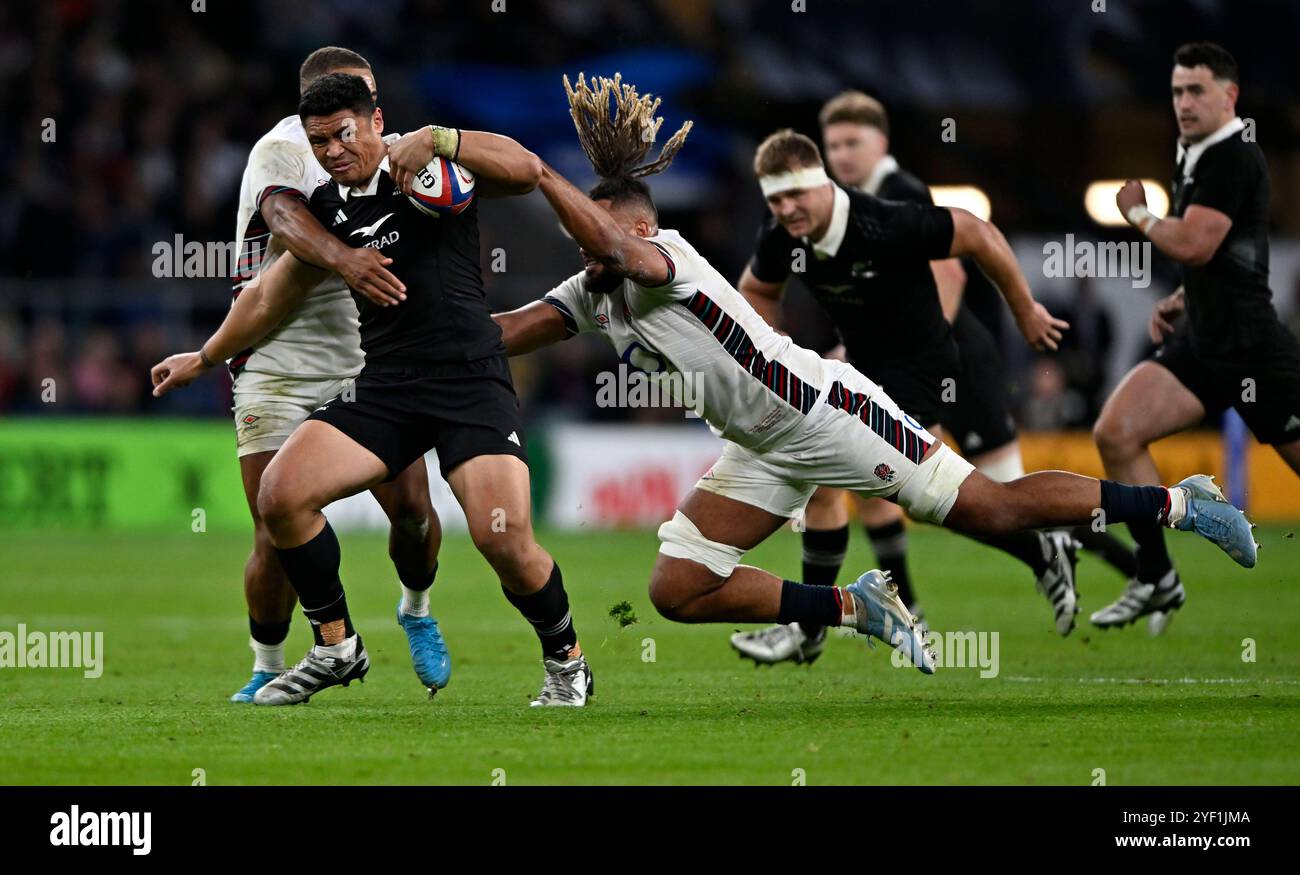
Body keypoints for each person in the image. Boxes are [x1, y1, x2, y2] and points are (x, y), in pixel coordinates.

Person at [493, 74, 1256, 676]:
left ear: (639, 227)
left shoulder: (664, 259)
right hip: (761, 443)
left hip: (826, 412)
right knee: (677, 586)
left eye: (594, 238)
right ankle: (856, 607)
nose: (584, 254)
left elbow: (617, 250)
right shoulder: (595, 286)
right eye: (580, 244)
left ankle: (1181, 503)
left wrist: (535, 173)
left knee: (989, 508)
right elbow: (503, 333)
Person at [153, 73, 592, 707]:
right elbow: (267, 294)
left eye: (343, 134)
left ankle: (567, 661)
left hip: (469, 381)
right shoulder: (327, 213)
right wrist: (204, 356)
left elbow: (525, 169)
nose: (332, 150)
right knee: (281, 496)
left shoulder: (425, 169)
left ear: (376, 120)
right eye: (320, 140)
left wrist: (445, 139)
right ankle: (335, 644)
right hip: (385, 387)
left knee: (502, 538)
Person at [184, 46, 446, 703]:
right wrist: (347, 258)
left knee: (413, 510)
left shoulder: (391, 153)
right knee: (274, 529)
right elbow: (284, 218)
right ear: (310, 107)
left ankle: (415, 605)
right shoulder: (278, 152)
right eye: (338, 111)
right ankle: (268, 662)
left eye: (366, 110)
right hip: (272, 356)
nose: (356, 127)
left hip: (364, 355)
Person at [1094, 42, 1289, 633]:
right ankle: (1157, 576)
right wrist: (1186, 297)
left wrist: (1139, 215)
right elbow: (1223, 255)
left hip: (1253, 346)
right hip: (1204, 339)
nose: (1183, 101)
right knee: (1117, 433)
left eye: (1196, 89)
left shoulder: (1232, 156)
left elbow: (1197, 243)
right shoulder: (1194, 151)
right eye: (1177, 90)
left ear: (1229, 95)